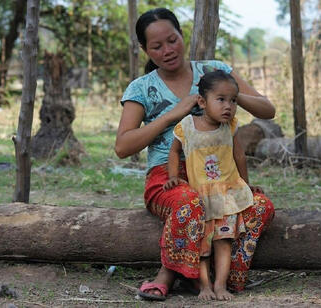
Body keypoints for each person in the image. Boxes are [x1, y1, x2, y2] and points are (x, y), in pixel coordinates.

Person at [115, 7, 275, 301]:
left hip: (219, 174)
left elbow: (268, 109)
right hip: (169, 176)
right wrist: (170, 116)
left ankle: (222, 275)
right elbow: (123, 147)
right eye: (157, 46)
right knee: (190, 201)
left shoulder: (213, 71)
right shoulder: (141, 88)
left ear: (182, 35)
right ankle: (169, 273)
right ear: (144, 50)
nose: (168, 50)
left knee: (261, 206)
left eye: (172, 40)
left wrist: (225, 96)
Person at [163, 70, 261, 300]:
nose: (229, 106)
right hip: (201, 197)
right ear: (202, 101)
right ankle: (204, 286)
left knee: (224, 242)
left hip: (226, 195)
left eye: (233, 100)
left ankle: (220, 286)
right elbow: (174, 152)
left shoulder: (231, 127)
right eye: (221, 99)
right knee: (203, 245)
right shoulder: (187, 126)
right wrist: (172, 176)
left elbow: (240, 157)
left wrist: (246, 185)